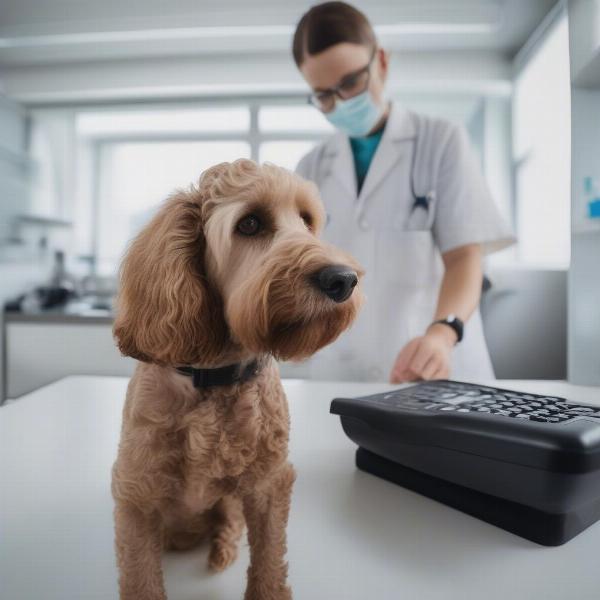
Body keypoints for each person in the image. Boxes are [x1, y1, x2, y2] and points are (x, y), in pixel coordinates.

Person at [292, 1, 516, 383]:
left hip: (431, 359)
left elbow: (465, 258)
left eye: (349, 83)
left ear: (381, 61)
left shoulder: (440, 141)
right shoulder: (311, 167)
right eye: (324, 95)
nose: (341, 102)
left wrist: (443, 334)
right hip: (342, 366)